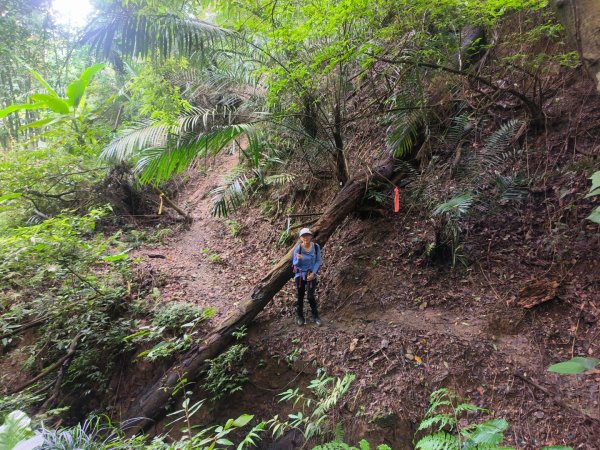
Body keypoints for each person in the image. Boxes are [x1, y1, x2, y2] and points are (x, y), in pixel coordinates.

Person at [292, 228, 322, 326]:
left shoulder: (316, 247)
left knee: (310, 296)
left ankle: (316, 316)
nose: (306, 237)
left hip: (311, 274)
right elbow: (295, 263)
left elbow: (318, 261)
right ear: (300, 238)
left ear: (311, 236)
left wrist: (313, 273)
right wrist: (299, 260)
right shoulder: (298, 249)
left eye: (307, 235)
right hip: (300, 275)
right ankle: (300, 316)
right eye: (303, 236)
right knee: (300, 296)